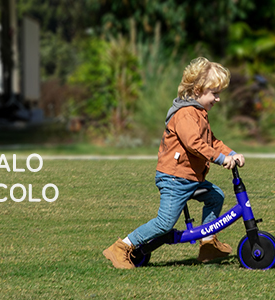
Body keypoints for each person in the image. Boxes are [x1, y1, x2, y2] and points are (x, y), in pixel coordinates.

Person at [103, 57, 246, 269]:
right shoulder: (186, 114)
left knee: (216, 196)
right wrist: (221, 159)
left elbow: (212, 140)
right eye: (214, 93)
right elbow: (194, 143)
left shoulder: (200, 113)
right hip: (174, 178)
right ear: (198, 90)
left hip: (190, 178)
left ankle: (207, 244)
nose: (217, 99)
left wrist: (231, 152)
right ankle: (121, 247)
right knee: (165, 223)